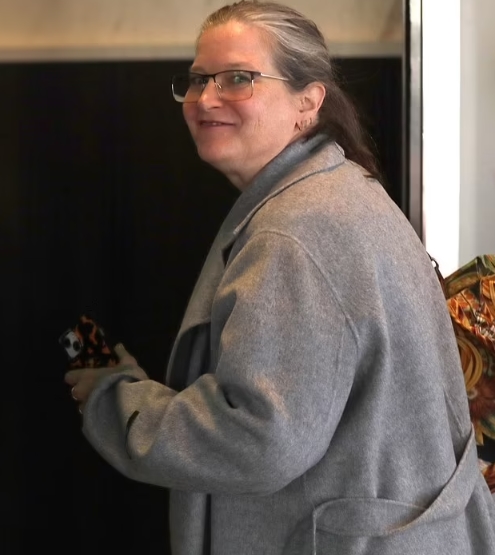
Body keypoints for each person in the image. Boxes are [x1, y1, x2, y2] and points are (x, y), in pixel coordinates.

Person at [64, 1, 495, 554]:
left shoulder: (297, 231)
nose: (205, 98)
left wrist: (115, 399)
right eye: (197, 79)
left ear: (307, 102)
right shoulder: (338, 190)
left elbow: (256, 440)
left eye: (237, 78)